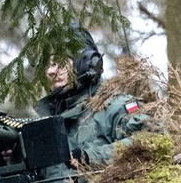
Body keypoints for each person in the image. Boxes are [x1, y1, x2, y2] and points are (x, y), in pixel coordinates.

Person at [35, 27, 154, 167]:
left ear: (85, 62)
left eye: (59, 63)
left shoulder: (116, 107)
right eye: (46, 65)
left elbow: (151, 139)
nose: (50, 71)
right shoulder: (46, 124)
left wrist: (90, 157)